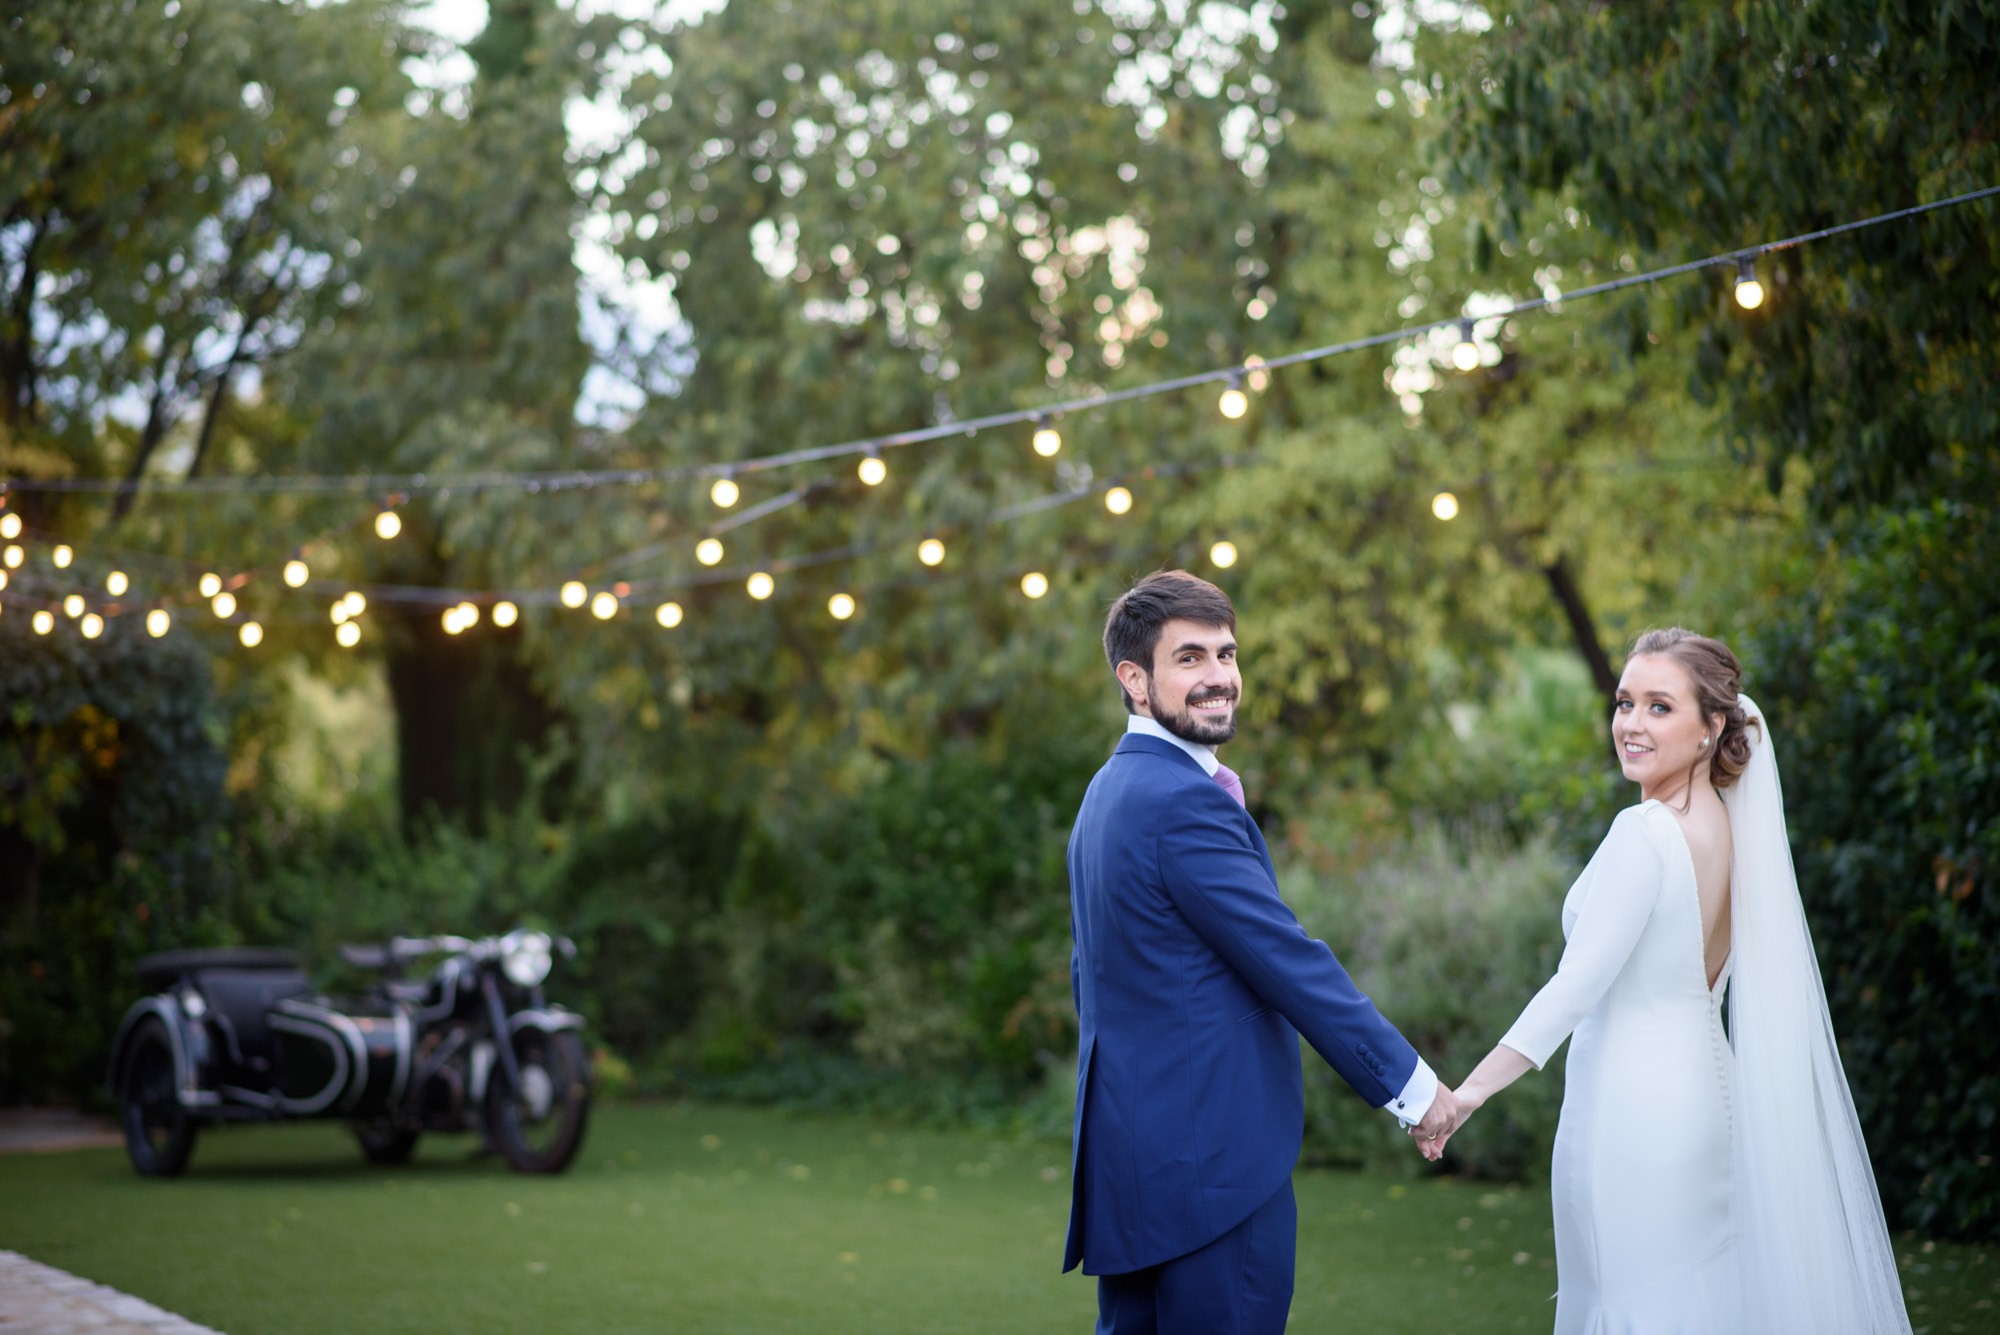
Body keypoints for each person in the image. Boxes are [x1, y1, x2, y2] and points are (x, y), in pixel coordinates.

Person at [1428, 628, 1911, 1335]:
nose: (1630, 723)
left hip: (1632, 1116)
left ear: (1713, 726)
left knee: (1634, 1304)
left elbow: (1574, 986)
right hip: (1711, 1101)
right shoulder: (1730, 829)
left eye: (1660, 707)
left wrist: (1465, 1094)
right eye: (1626, 703)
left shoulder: (1647, 832)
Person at [1064, 570, 1462, 1334]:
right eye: (1190, 658)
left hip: (1134, 1167)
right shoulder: (1181, 801)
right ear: (1135, 680)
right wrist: (1411, 1086)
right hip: (1212, 1164)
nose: (1219, 677)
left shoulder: (1108, 792)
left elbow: (1096, 975)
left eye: (1227, 653)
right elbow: (1285, 959)